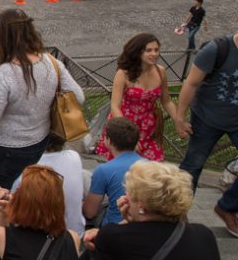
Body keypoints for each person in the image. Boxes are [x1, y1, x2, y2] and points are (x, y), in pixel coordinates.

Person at [0, 9, 84, 228]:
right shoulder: (52, 63)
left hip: (4, 152)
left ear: (3, 37)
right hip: (38, 145)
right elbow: (78, 96)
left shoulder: (4, 73)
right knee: (14, 198)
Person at [82, 161, 231, 260]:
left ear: (141, 205)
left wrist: (126, 221)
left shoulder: (114, 237)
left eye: (129, 193)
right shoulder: (203, 235)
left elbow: (97, 249)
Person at [175, 29, 238, 235]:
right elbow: (191, 83)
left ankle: (226, 206)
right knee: (193, 166)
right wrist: (180, 117)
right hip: (206, 118)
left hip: (236, 120)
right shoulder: (217, 49)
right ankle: (178, 213)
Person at [95, 33, 176, 161]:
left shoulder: (161, 71)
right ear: (138, 52)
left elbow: (166, 101)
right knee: (125, 168)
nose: (154, 54)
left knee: (152, 167)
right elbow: (115, 106)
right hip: (125, 124)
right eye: (149, 50)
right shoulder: (123, 74)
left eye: (156, 50)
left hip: (149, 128)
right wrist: (128, 136)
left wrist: (179, 120)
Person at [11, 132, 85, 236]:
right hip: (75, 234)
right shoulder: (74, 156)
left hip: (41, 238)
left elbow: (12, 209)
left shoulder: (28, 167)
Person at [84, 117, 145, 226]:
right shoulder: (151, 165)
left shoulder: (104, 170)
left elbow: (89, 213)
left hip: (115, 227)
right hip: (145, 222)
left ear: (109, 140)